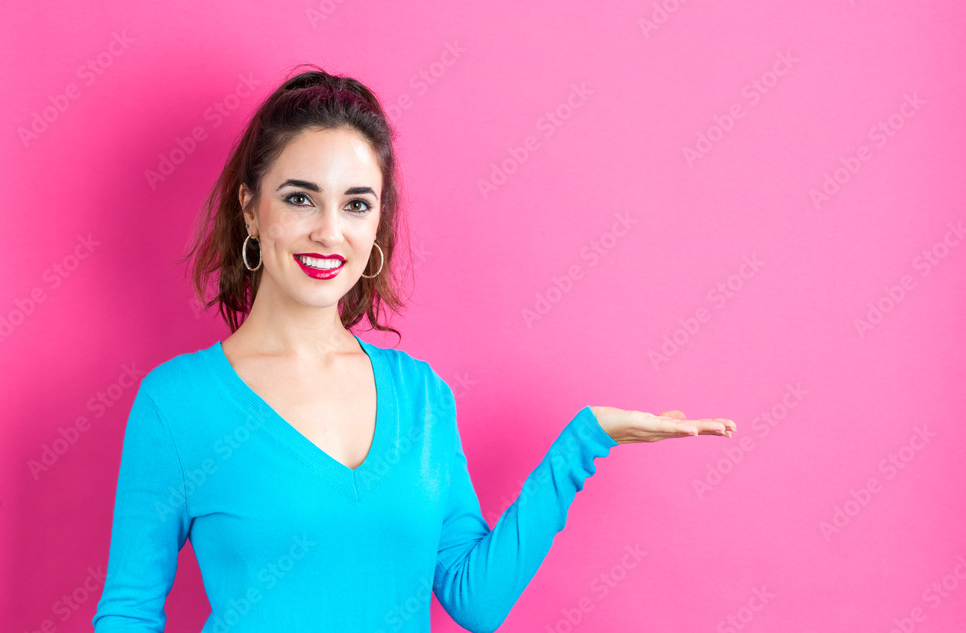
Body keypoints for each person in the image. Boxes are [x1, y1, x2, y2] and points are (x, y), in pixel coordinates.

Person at [91, 64, 736, 632]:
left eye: (356, 204)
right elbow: (129, 613)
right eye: (299, 198)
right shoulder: (176, 404)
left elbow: (473, 600)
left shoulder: (421, 397)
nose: (328, 232)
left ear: (377, 224)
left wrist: (582, 444)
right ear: (251, 210)